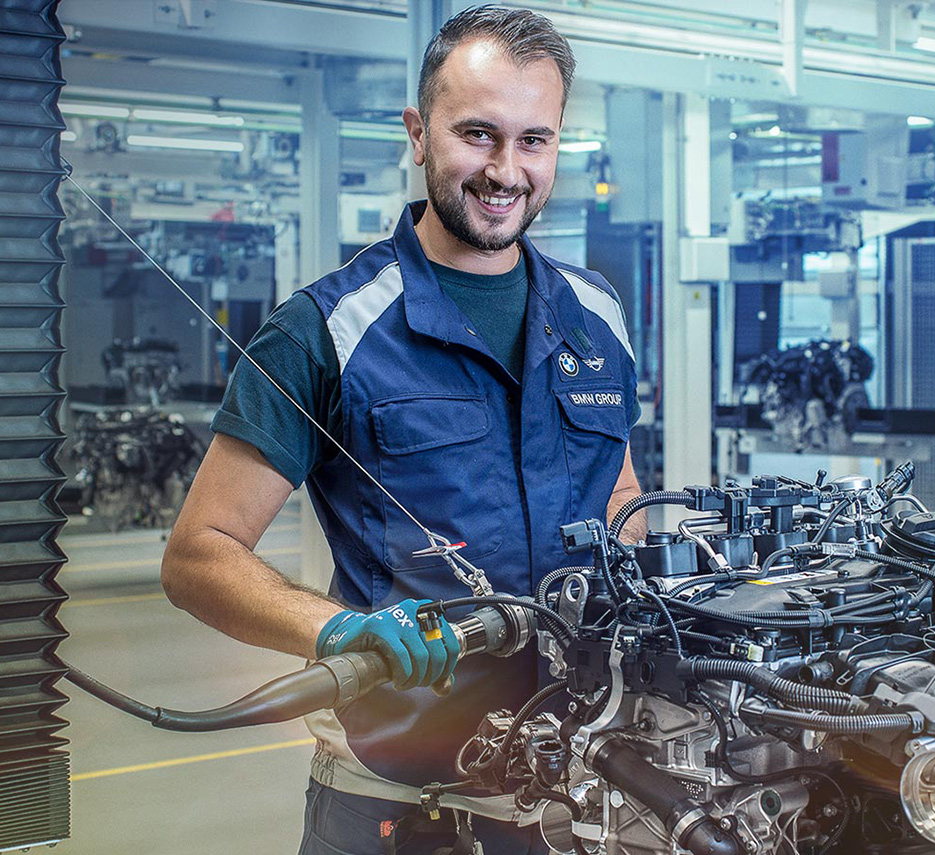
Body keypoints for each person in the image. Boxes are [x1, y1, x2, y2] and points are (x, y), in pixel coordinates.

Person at [160, 6, 644, 853]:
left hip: (579, 793)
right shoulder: (327, 329)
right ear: (418, 134)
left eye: (534, 140)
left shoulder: (595, 312)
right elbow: (199, 553)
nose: (506, 170)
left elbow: (620, 488)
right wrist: (335, 629)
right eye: (478, 134)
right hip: (396, 807)